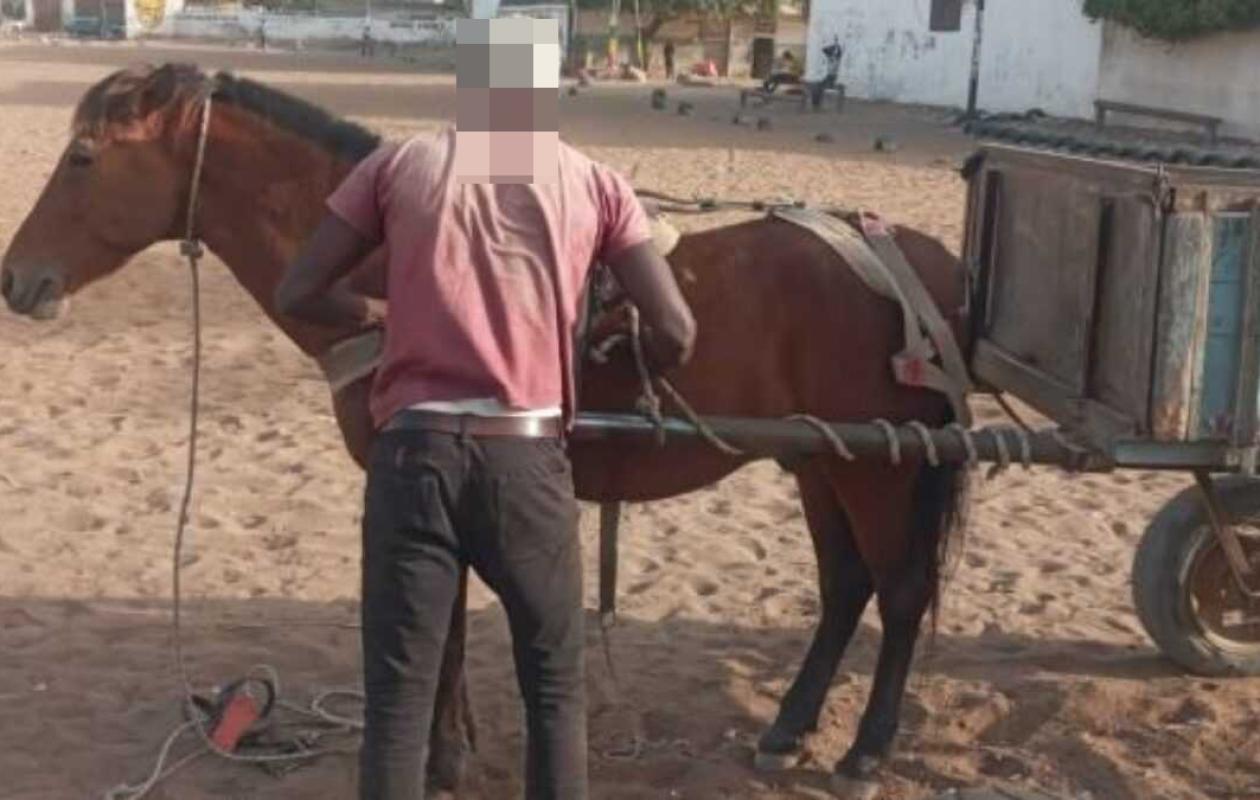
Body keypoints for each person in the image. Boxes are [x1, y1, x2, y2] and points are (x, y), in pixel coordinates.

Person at [275, 47, 697, 800]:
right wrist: (632, 362)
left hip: (412, 457)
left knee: (398, 704)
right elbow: (677, 329)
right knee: (554, 690)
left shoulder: (399, 165)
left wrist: (383, 312)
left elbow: (299, 291)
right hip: (524, 462)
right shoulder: (596, 183)